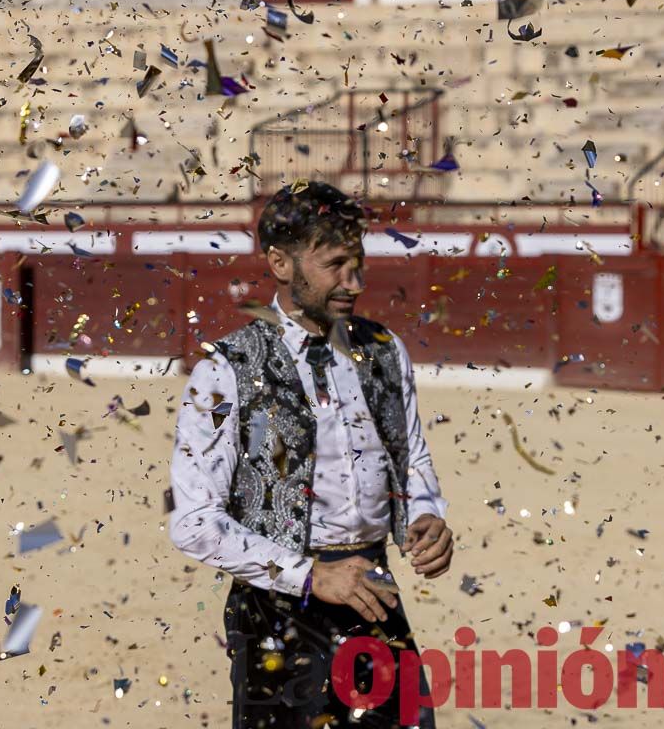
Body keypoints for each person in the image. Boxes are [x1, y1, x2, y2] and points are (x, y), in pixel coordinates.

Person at [168, 181, 453, 728]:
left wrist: (425, 515)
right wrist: (309, 576)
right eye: (335, 264)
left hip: (374, 592)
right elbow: (195, 521)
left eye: (359, 262)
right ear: (280, 262)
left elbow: (411, 456)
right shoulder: (225, 368)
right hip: (277, 611)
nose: (355, 281)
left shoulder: (385, 350)